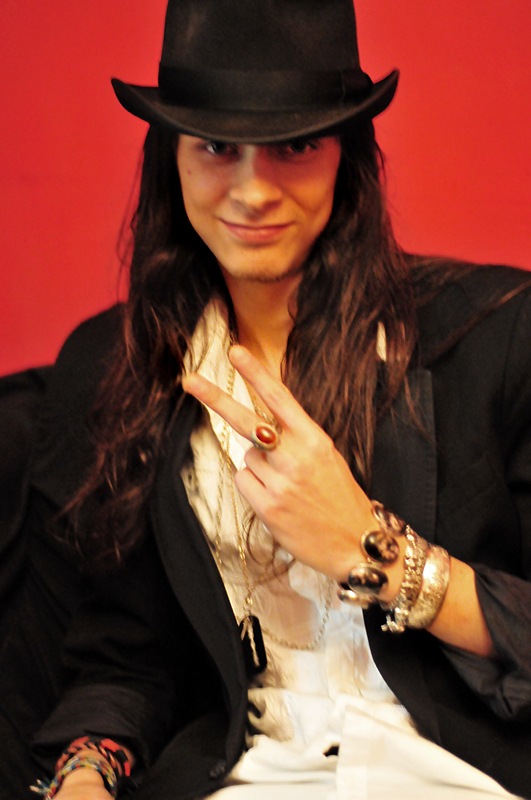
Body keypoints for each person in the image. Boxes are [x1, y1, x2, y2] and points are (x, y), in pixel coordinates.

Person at [1, 0, 530, 798]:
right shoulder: (118, 364)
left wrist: (372, 551)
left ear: (346, 154)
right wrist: (84, 772)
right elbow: (125, 659)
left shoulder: (495, 337)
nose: (252, 191)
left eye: (294, 146)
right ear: (171, 159)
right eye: (217, 147)